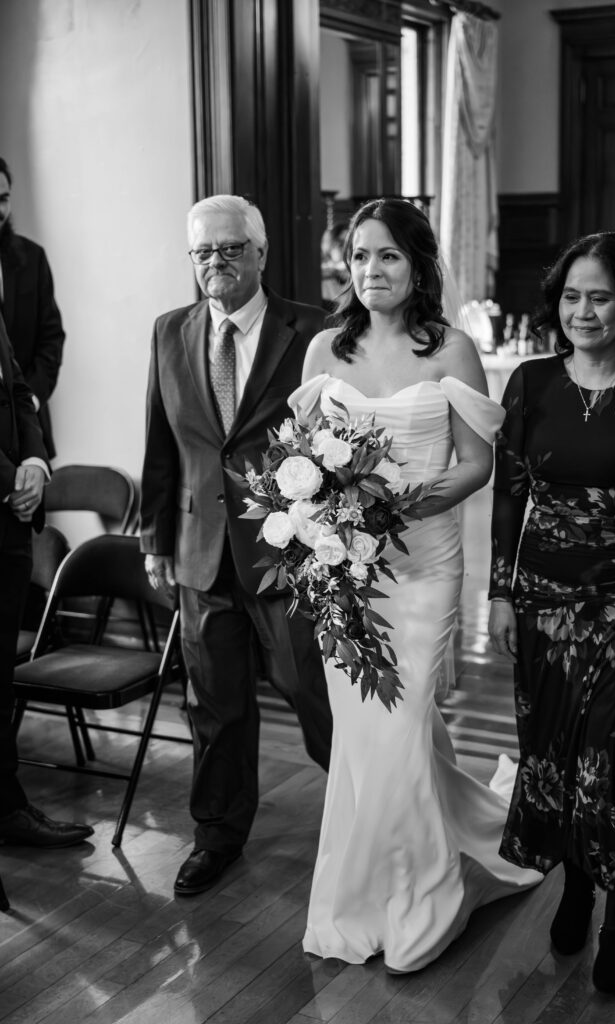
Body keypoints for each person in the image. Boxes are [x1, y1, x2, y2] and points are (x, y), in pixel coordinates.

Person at [290, 198, 541, 975]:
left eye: (388, 255)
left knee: (398, 728)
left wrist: (403, 503)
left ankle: (423, 904)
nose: (371, 270)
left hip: (425, 569)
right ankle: (362, 896)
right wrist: (322, 513)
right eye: (359, 256)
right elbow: (302, 461)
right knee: (365, 739)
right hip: (346, 574)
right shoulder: (324, 349)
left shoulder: (450, 349)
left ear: (419, 264)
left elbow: (477, 464)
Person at [488, 231, 615, 995]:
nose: (582, 311)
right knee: (556, 758)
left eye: (599, 297)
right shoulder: (529, 383)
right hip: (541, 607)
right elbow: (509, 495)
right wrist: (500, 594)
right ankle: (573, 880)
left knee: (613, 763)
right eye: (571, 296)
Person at [140, 194, 333, 898]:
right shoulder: (169, 330)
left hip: (287, 552)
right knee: (214, 706)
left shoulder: (311, 331)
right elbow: (161, 443)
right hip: (200, 549)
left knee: (311, 691)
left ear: (260, 252)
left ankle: (367, 815)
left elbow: (333, 442)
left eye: (229, 248)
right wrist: (156, 540)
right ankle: (216, 835)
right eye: (202, 252)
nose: (215, 262)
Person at [0, 313, 93, 848]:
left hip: (11, 523)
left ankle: (6, 807)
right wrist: (8, 480)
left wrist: (35, 461)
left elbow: (17, 390)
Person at [0, 158, 65, 459]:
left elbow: (51, 340)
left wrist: (30, 402)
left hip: (30, 435)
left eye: (3, 199)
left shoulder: (32, 257)